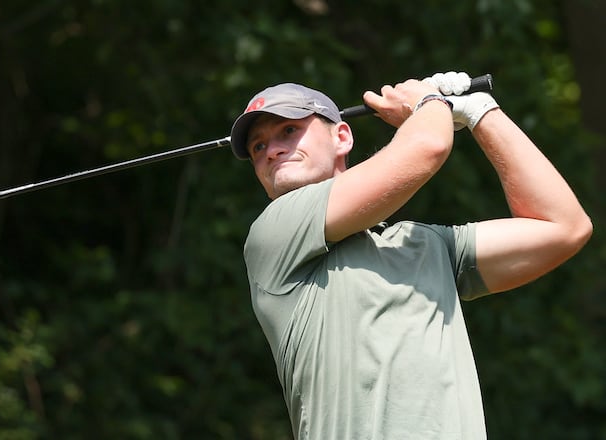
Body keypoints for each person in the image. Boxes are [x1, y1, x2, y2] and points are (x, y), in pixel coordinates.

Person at [229, 72, 592, 439]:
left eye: (289, 130)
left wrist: (481, 113)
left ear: (342, 137)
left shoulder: (424, 244)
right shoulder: (274, 233)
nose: (272, 150)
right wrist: (429, 102)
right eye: (258, 147)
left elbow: (565, 227)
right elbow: (428, 146)